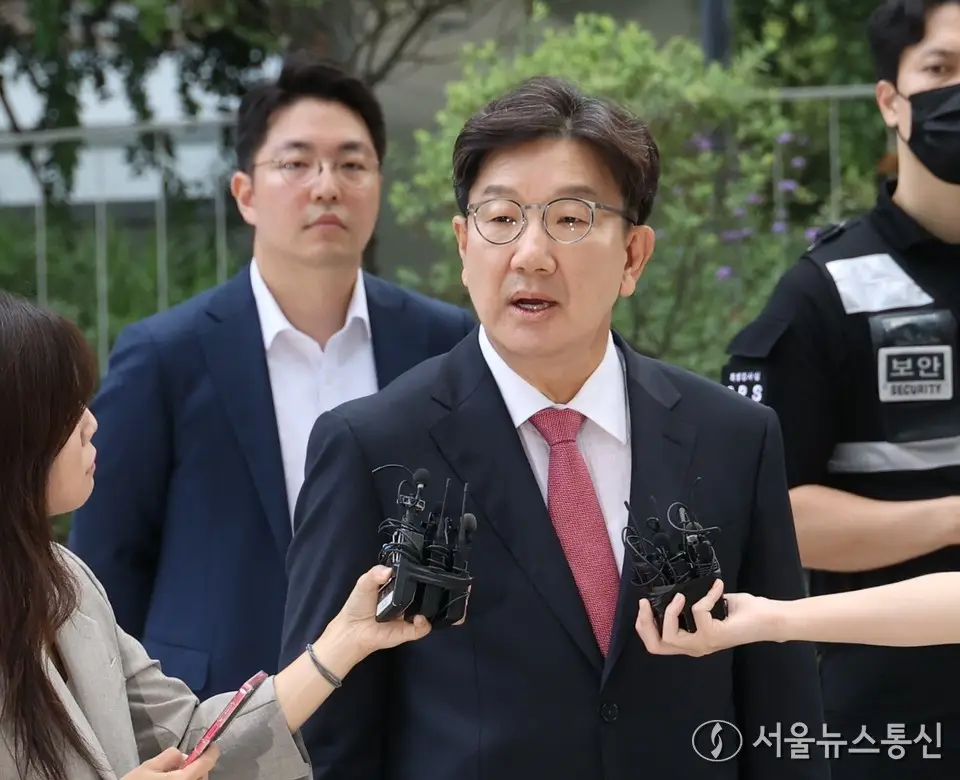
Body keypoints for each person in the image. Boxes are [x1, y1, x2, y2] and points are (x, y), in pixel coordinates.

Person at [279, 75, 828, 780]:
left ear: (633, 256)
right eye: (501, 218)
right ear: (463, 245)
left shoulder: (734, 439)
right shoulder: (373, 446)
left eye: (570, 219)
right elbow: (328, 735)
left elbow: (782, 709)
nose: (531, 254)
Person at [67, 53, 475, 700]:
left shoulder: (442, 342)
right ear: (246, 194)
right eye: (296, 163)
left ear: (378, 184)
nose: (327, 186)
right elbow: (107, 562)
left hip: (404, 703)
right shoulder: (165, 356)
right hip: (215, 710)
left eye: (352, 164)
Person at [0, 290, 435, 780]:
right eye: (62, 408)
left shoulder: (66, 578)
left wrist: (343, 641)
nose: (90, 422)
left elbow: (188, 737)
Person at [719, 1, 960, 775]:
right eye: (941, 68)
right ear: (890, 100)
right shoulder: (824, 293)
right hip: (893, 722)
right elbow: (768, 514)